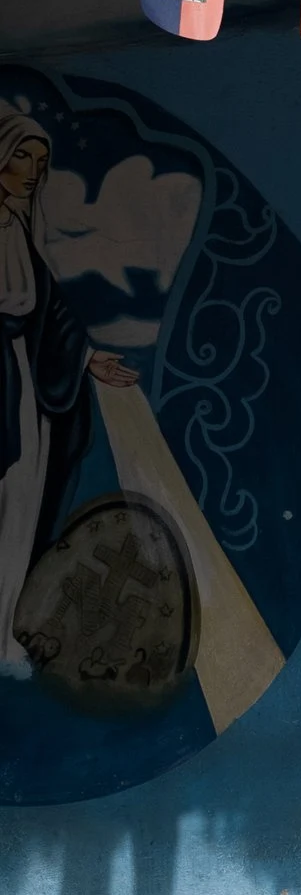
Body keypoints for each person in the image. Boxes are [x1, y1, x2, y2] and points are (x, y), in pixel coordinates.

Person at [0, 111, 138, 676]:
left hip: (18, 384)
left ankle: (5, 637)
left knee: (22, 503)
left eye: (40, 159)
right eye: (21, 156)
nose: (32, 171)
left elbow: (48, 313)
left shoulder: (17, 229)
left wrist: (87, 358)